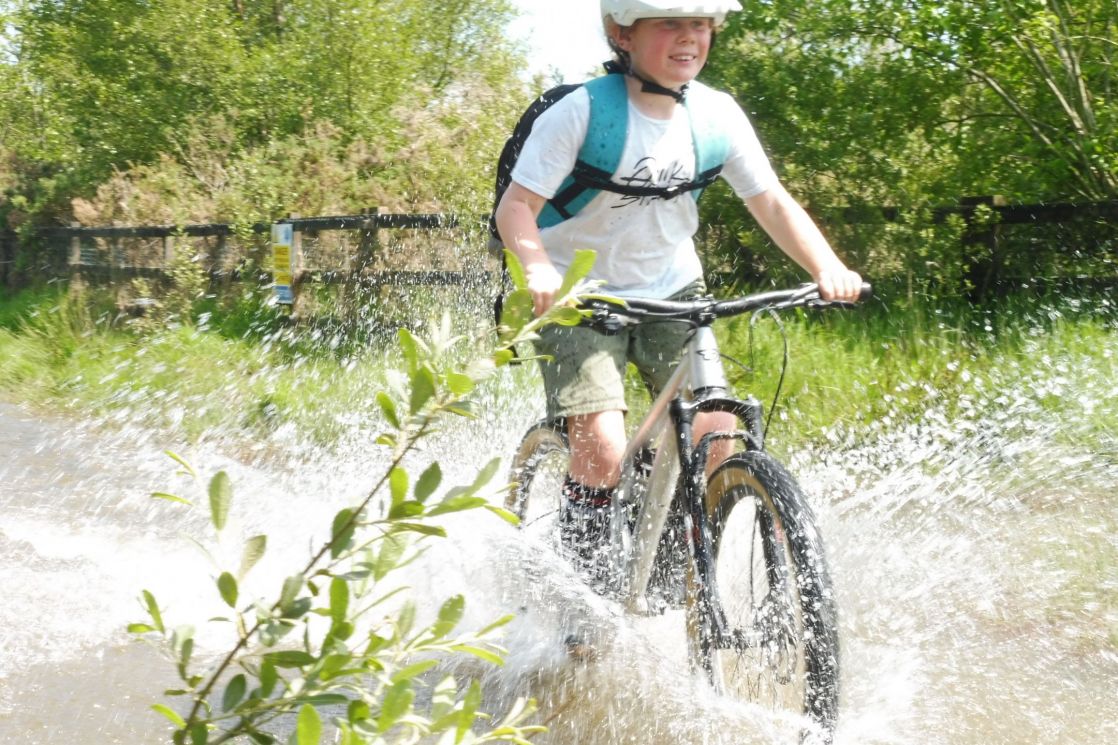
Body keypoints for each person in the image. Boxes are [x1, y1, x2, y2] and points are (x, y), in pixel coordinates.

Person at [494, 0, 862, 573]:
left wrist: (827, 267)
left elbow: (771, 202)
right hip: (576, 294)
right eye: (669, 22)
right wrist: (538, 270)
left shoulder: (716, 116)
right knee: (602, 447)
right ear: (622, 33)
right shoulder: (581, 112)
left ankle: (672, 571)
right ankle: (584, 591)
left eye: (700, 24)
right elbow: (516, 208)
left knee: (716, 433)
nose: (689, 37)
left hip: (675, 291)